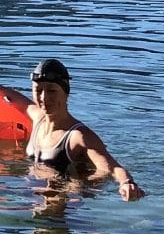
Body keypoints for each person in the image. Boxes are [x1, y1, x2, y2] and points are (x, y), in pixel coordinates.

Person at [24, 58, 145, 200]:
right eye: (38, 90)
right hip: (32, 194)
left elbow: (112, 168)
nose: (44, 97)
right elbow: (12, 98)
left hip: (64, 198)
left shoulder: (78, 136)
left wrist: (126, 183)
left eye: (52, 90)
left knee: (53, 204)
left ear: (66, 93)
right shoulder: (37, 117)